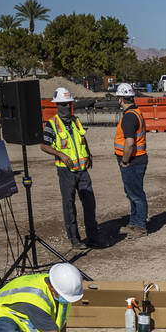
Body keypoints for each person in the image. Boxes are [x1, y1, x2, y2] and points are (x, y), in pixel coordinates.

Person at [41, 87, 100, 249]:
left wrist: (89, 153)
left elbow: (82, 138)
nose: (67, 107)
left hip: (82, 170)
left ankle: (93, 236)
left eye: (69, 104)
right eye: (63, 105)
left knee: (89, 203)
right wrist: (60, 154)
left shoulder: (75, 121)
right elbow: (44, 146)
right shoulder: (52, 125)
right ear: (57, 106)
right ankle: (75, 239)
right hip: (66, 172)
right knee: (69, 205)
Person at [113, 83, 149, 235]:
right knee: (133, 193)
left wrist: (125, 161)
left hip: (133, 162)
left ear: (120, 99)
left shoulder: (129, 117)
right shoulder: (136, 112)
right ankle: (134, 223)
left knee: (136, 194)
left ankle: (139, 226)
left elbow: (129, 143)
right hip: (138, 160)